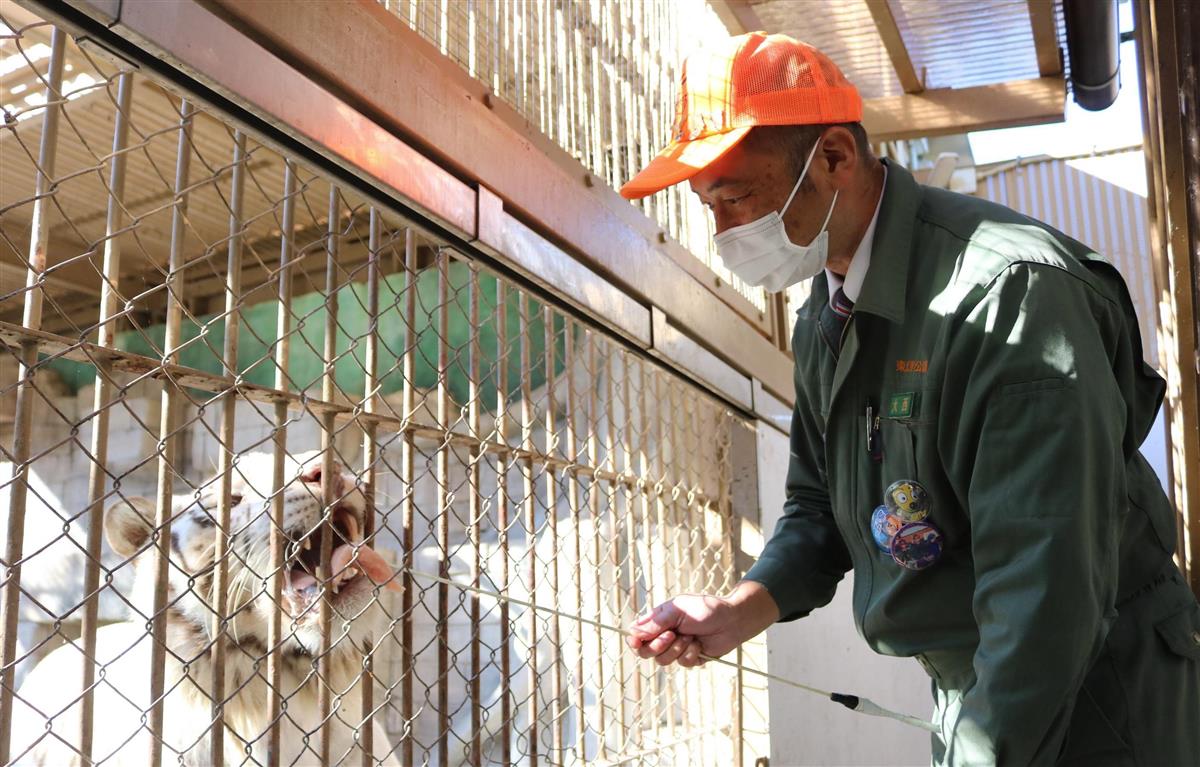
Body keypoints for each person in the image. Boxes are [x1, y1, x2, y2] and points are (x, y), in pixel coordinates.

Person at [619, 31, 1200, 766]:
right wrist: (738, 609)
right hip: (982, 694)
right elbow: (817, 509)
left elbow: (1044, 605)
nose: (723, 231)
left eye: (735, 198)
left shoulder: (1007, 300)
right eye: (710, 205)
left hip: (1102, 703)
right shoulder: (826, 313)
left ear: (833, 157)